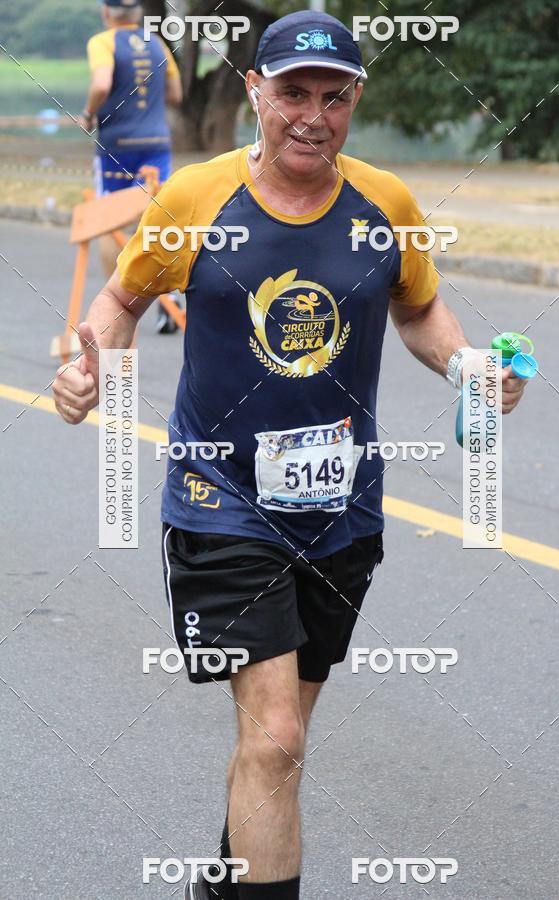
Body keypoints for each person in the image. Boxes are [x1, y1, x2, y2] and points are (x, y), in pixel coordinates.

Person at [53, 10, 528, 898]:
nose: (313, 114)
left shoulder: (387, 206)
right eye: (293, 93)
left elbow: (418, 307)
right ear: (254, 93)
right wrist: (90, 371)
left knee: (275, 745)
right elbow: (120, 301)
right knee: (277, 738)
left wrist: (466, 368)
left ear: (355, 100)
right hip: (219, 498)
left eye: (334, 96)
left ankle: (226, 884)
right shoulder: (195, 200)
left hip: (343, 508)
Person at [81, 0, 183, 333]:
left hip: (117, 145)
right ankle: (172, 301)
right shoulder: (156, 41)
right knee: (155, 219)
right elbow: (176, 94)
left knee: (112, 218)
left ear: (105, 13)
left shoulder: (102, 41)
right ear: (138, 14)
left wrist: (88, 113)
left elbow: (100, 84)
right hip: (156, 144)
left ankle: (116, 307)